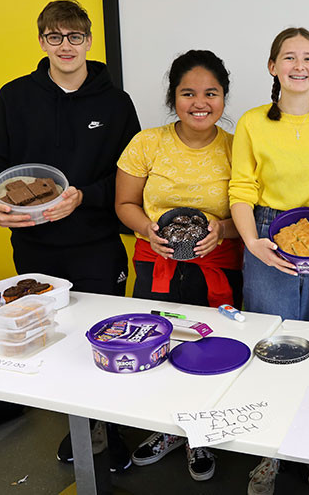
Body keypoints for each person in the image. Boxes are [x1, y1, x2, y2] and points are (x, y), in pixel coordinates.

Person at [0, 0, 140, 472]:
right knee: (52, 340)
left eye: (74, 37)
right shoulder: (14, 96)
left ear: (89, 40)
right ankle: (81, 428)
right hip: (34, 246)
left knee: (108, 339)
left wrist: (84, 196)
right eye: (54, 37)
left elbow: (133, 179)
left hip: (96, 245)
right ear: (42, 41)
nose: (65, 46)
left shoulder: (115, 103)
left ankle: (114, 426)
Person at [229, 27, 309, 495]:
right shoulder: (252, 122)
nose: (299, 65)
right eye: (288, 57)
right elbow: (240, 190)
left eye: (308, 58)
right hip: (265, 234)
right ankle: (269, 451)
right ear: (272, 66)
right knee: (270, 342)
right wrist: (253, 243)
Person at [115, 49, 242, 482]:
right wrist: (148, 230)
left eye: (211, 93)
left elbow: (252, 212)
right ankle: (164, 429)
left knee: (211, 350)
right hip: (158, 264)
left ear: (224, 98)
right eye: (188, 93)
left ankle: (202, 436)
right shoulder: (146, 143)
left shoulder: (238, 147)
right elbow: (125, 204)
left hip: (221, 268)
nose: (200, 102)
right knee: (161, 345)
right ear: (174, 97)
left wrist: (222, 229)